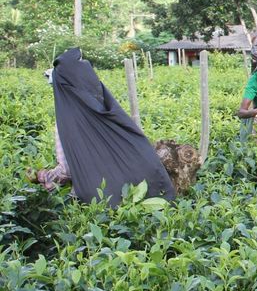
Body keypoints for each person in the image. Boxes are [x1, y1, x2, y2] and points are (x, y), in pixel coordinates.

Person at [31, 48, 175, 206]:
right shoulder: (106, 107)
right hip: (147, 193)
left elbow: (67, 169)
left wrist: (45, 176)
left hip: (101, 203)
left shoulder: (67, 124)